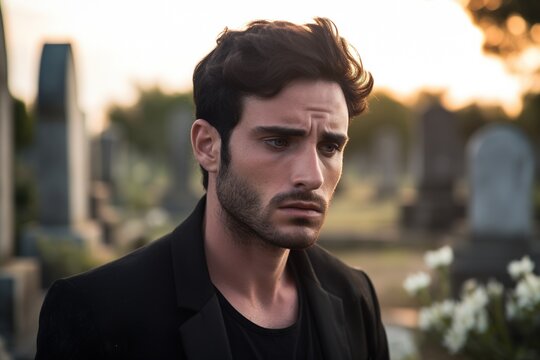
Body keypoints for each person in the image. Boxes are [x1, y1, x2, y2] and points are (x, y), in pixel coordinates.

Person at [35, 17, 389, 360]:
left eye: (329, 148)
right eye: (279, 141)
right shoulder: (96, 313)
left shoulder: (354, 297)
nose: (312, 176)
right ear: (207, 146)